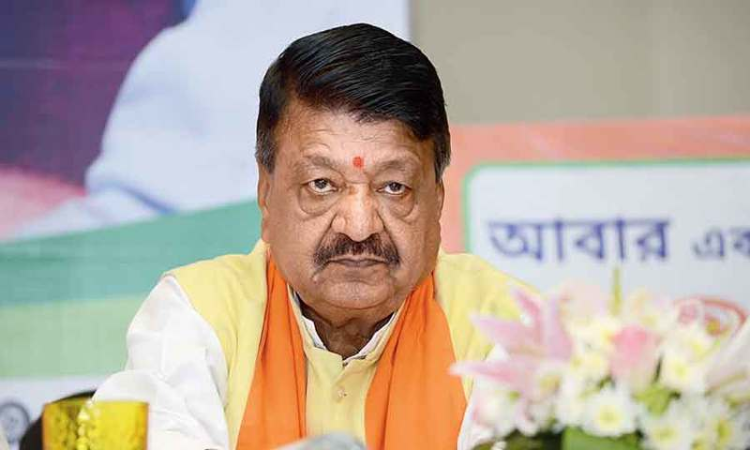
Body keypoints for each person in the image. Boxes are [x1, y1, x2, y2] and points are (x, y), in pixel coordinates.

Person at [94, 23, 523, 449]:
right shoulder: (198, 314)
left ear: (437, 201)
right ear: (266, 194)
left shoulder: (508, 326)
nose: (359, 226)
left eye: (394, 187)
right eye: (322, 184)